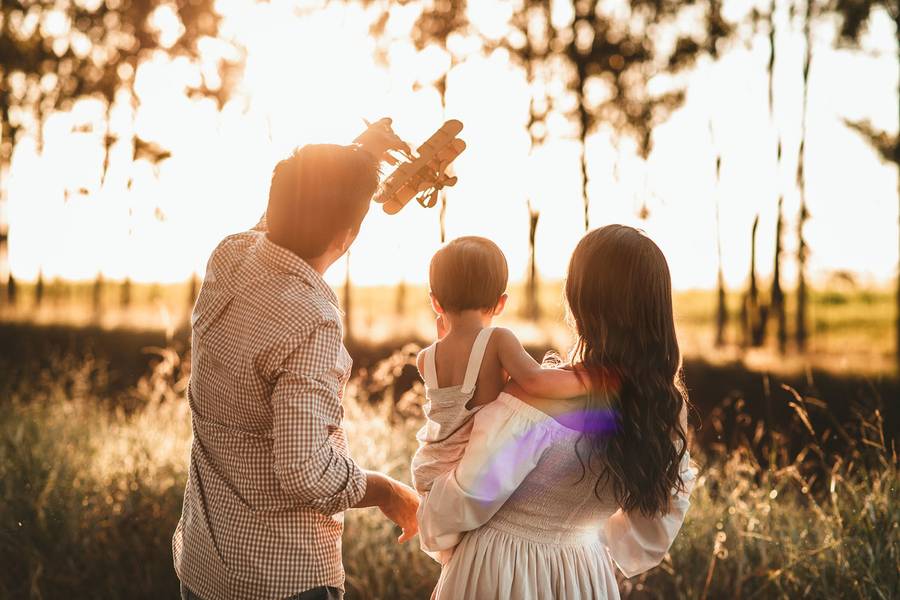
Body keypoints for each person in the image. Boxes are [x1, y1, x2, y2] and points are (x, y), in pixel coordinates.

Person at [173, 139, 419, 600]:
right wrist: (387, 491)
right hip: (281, 580)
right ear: (346, 237)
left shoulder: (229, 256)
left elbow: (281, 219)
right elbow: (304, 469)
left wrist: (357, 156)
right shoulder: (312, 321)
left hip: (203, 567)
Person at [418, 225, 697, 599]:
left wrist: (429, 519)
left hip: (501, 572)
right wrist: (580, 531)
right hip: (584, 575)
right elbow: (652, 531)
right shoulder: (662, 407)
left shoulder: (537, 400)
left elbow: (467, 500)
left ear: (580, 299)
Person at [410, 237, 585, 560]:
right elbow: (535, 381)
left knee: (457, 560)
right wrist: (586, 378)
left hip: (431, 466)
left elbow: (451, 397)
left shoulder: (426, 357)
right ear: (501, 303)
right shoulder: (497, 339)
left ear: (435, 302)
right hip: (469, 466)